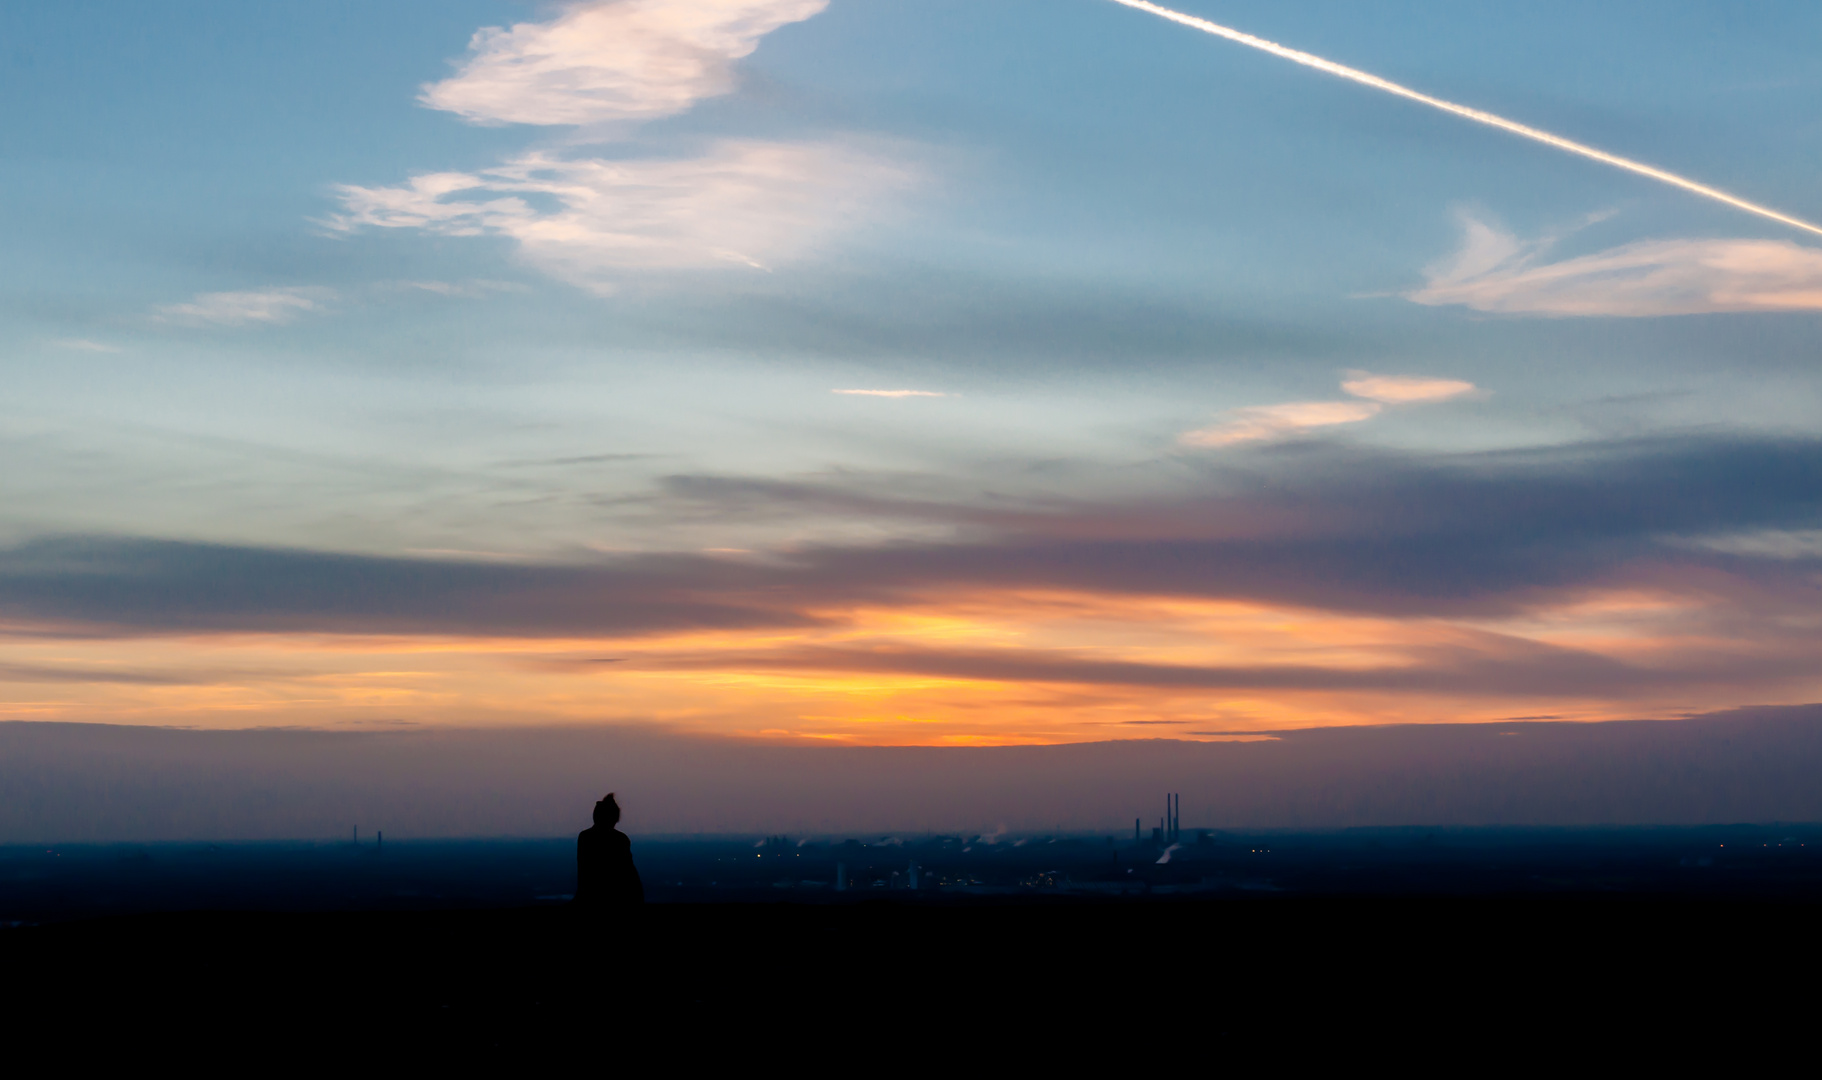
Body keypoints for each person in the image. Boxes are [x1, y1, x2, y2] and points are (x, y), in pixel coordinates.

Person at [575, 793, 644, 905]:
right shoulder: (620, 839)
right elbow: (629, 873)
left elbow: (584, 876)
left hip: (593, 898)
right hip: (615, 898)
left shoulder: (585, 837)